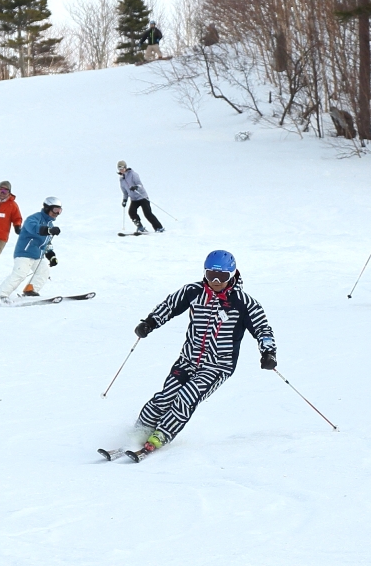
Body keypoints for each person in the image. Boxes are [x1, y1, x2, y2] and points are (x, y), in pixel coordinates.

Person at [130, 250, 276, 454]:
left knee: (186, 398)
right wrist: (150, 323)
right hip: (188, 360)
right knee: (165, 397)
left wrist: (268, 353)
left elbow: (263, 329)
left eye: (222, 276)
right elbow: (169, 306)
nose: (216, 281)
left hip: (218, 365)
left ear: (232, 275)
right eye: (211, 275)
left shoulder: (243, 302)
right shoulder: (193, 291)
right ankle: (138, 432)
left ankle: (160, 435)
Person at [0, 197, 62, 303]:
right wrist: (48, 230)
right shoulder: (34, 218)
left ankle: (30, 291)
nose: (57, 213)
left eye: (60, 211)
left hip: (37, 255)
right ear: (47, 208)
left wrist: (51, 256)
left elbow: (47, 242)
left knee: (44, 271)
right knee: (20, 274)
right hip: (24, 252)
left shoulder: (50, 224)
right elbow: (33, 228)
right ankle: (0, 296)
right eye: (55, 210)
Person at [118, 160, 163, 233]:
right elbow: (125, 192)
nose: (121, 170)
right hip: (134, 199)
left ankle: (159, 227)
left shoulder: (133, 174)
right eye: (119, 168)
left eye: (122, 168)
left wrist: (135, 187)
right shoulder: (121, 179)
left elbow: (140, 185)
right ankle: (140, 227)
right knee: (131, 212)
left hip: (142, 197)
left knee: (147, 213)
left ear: (125, 167)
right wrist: (124, 200)